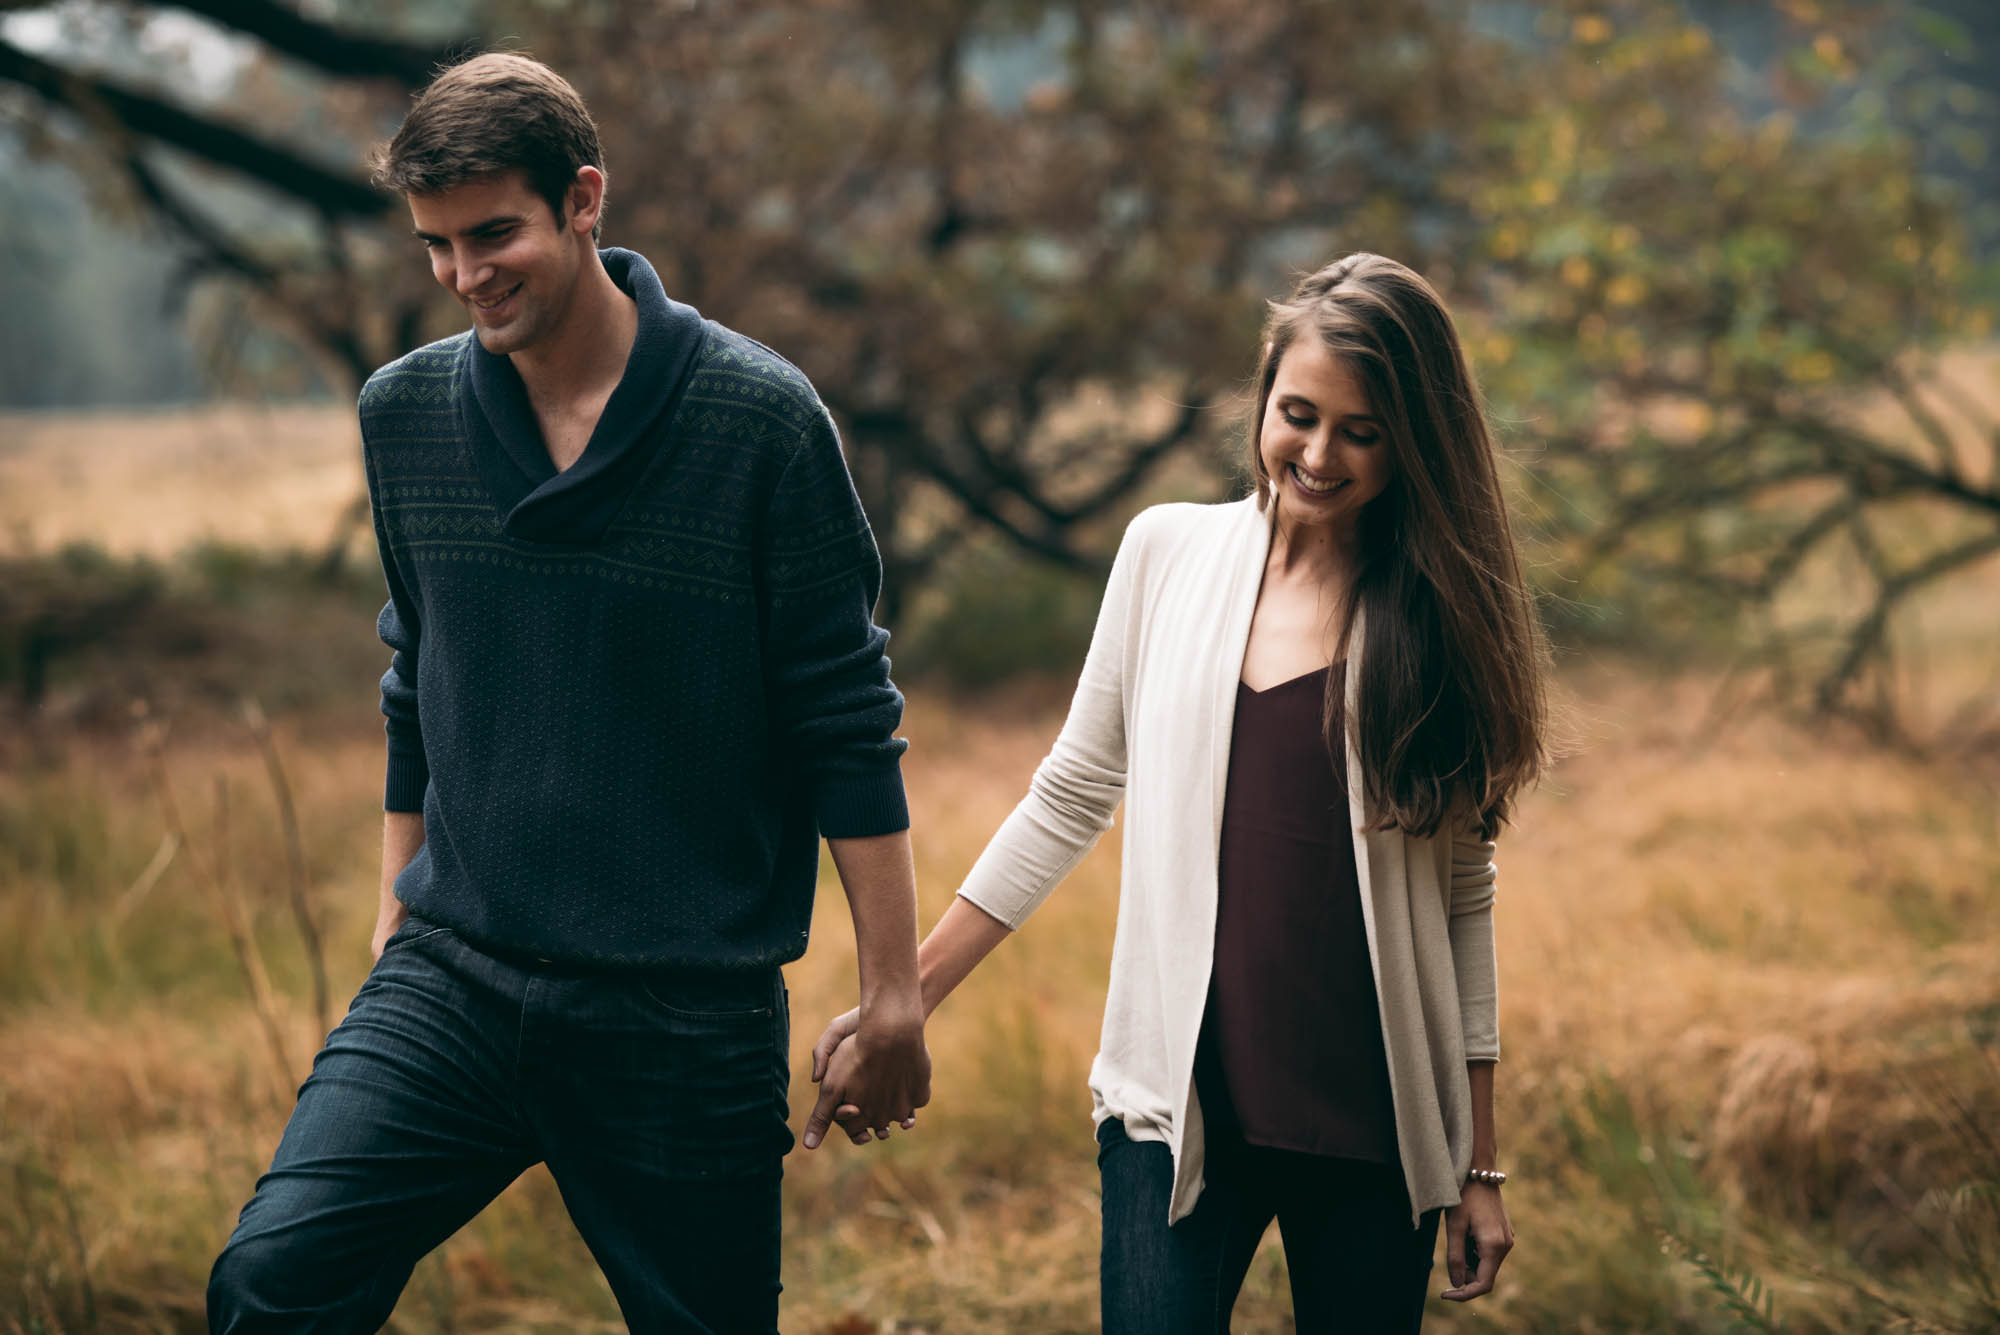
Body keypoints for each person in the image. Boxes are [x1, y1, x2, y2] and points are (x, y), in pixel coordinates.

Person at [206, 53, 930, 1335]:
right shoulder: (404, 415)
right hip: (452, 980)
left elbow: (844, 719)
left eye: (495, 234)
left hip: (680, 1010)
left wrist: (892, 997)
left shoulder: (760, 423)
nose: (464, 274)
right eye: (436, 244)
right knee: (272, 1284)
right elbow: (414, 677)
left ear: (583, 200)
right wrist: (395, 907)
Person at [807, 254, 1547, 1331]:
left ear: (1410, 442)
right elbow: (1068, 795)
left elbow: (1462, 893)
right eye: (1297, 414)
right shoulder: (1165, 553)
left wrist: (1478, 1166)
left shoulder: (1431, 621)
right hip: (1176, 1113)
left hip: (1376, 1133)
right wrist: (904, 995)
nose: (1317, 453)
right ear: (1262, 399)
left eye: (1361, 431)